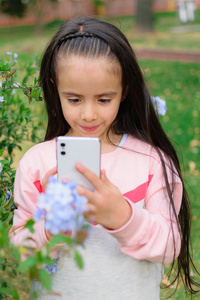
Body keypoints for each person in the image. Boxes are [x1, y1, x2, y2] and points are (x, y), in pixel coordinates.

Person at [10, 17, 200, 299]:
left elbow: (169, 246)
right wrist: (49, 227)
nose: (89, 114)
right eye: (74, 99)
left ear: (124, 90)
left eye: (103, 99)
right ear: (55, 88)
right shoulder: (38, 164)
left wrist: (123, 216)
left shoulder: (148, 162)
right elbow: (19, 250)